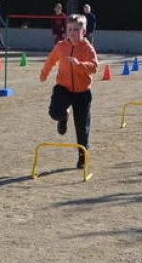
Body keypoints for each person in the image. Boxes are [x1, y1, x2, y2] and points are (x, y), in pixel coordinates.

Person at [39, 14, 98, 169]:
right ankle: (63, 116)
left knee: (82, 126)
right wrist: (44, 73)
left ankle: (82, 156)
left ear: (83, 31)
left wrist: (79, 64)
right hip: (63, 87)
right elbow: (51, 60)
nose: (72, 33)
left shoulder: (87, 48)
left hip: (82, 92)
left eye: (76, 30)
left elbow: (94, 67)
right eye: (70, 29)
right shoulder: (61, 46)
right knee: (54, 112)